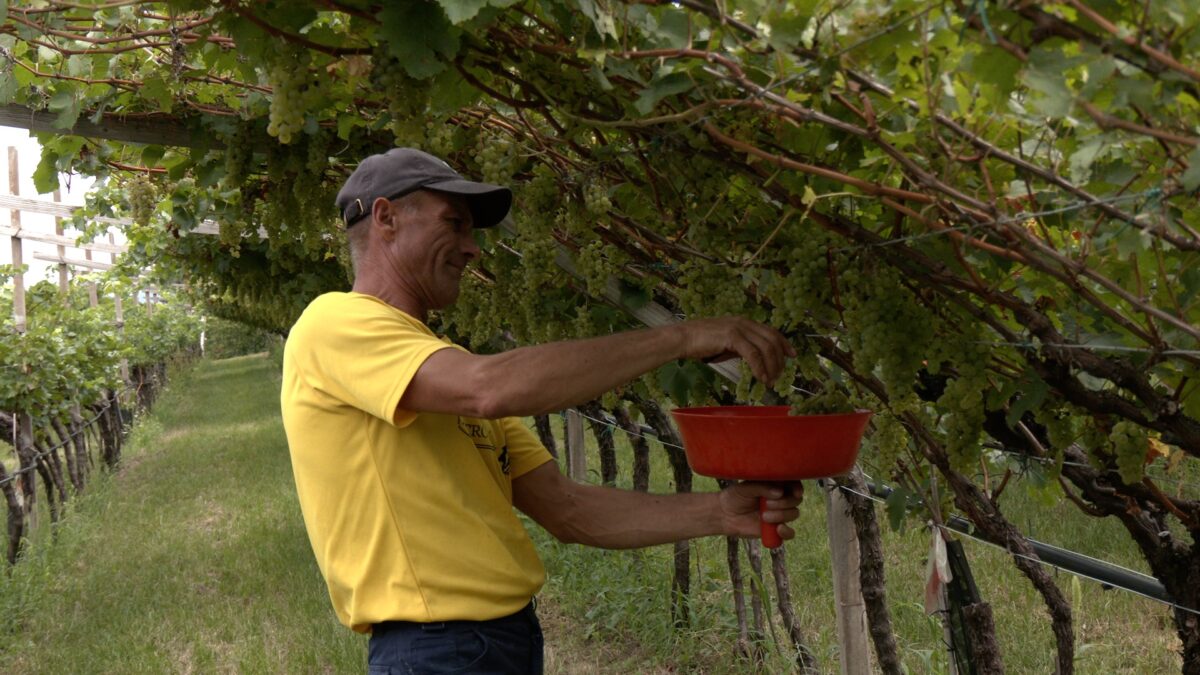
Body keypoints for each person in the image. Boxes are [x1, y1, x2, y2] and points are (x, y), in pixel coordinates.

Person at [280, 148, 804, 674]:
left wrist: (719, 513)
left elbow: (567, 509)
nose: (472, 248)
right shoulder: (334, 324)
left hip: (499, 642)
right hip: (435, 651)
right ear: (387, 218)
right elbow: (489, 387)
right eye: (455, 224)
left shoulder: (442, 370)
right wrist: (683, 337)